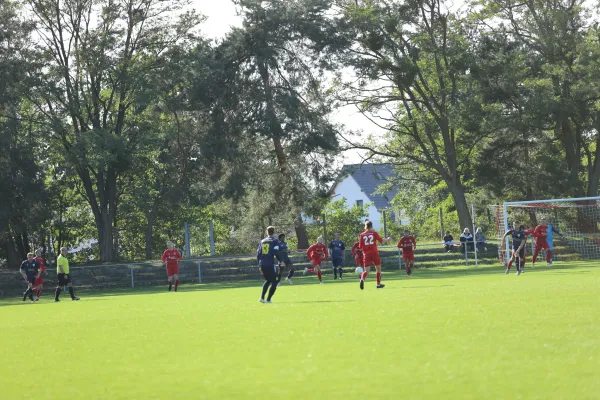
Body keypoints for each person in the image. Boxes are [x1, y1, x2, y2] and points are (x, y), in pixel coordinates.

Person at [358, 220, 390, 289]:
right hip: (374, 253)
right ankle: (378, 284)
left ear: (365, 226)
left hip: (366, 254)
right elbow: (382, 241)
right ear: (371, 226)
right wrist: (387, 239)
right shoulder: (374, 233)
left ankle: (362, 279)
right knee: (378, 269)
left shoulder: (362, 235)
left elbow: (360, 247)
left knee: (366, 271)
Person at [257, 226, 282, 303]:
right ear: (274, 232)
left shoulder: (262, 241)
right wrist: (281, 261)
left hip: (263, 264)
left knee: (268, 280)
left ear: (266, 232)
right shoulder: (275, 241)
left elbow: (258, 254)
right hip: (270, 264)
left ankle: (262, 298)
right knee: (275, 282)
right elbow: (276, 252)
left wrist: (260, 265)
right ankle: (268, 299)